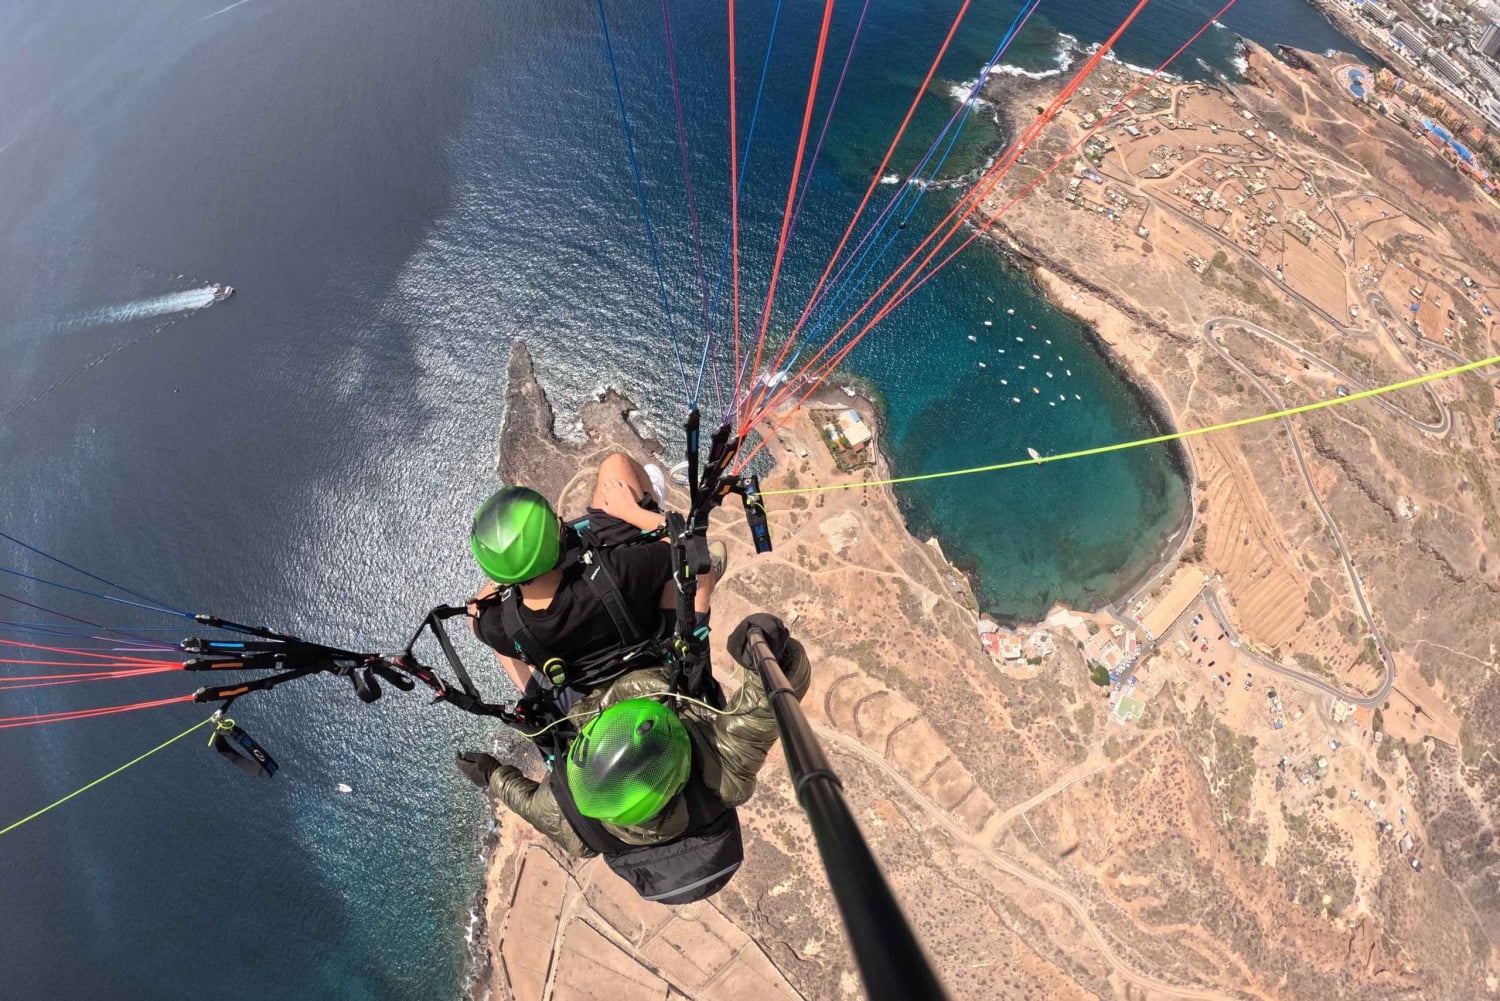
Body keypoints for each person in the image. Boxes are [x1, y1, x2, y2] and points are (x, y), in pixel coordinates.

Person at [455, 613, 810, 904]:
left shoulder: (581, 822)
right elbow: (769, 705)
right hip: (651, 673)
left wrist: (491, 774)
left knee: (510, 657)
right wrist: (769, 648)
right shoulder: (720, 773)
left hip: (579, 707)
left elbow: (532, 805)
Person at [467, 453, 726, 707]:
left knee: (502, 647)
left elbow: (474, 613)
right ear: (560, 536)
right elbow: (687, 546)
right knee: (617, 464)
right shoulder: (620, 569)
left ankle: (552, 702)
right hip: (648, 646)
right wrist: (632, 512)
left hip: (577, 685)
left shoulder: (502, 626)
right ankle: (652, 502)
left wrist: (508, 571)